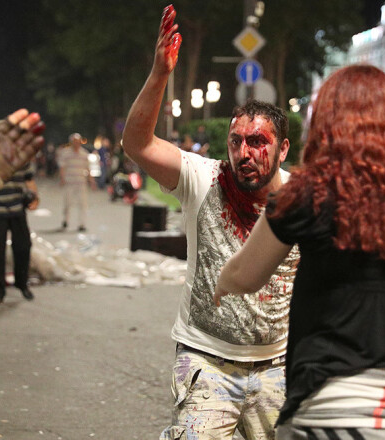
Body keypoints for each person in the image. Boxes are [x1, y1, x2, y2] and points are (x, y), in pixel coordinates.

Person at [214, 65, 385, 440]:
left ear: (325, 125)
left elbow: (245, 275)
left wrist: (221, 284)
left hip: (334, 411)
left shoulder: (306, 196)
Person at [121, 6, 298, 439]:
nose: (245, 152)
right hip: (206, 359)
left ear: (283, 149)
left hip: (279, 365)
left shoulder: (302, 198)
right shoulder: (203, 178)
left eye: (258, 142)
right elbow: (137, 143)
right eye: (237, 141)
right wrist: (161, 73)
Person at [0, 164, 39, 305]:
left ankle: (21, 283)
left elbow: (28, 179)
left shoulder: (21, 152)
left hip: (17, 208)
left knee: (23, 247)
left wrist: (35, 197)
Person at [58, 133, 95, 231]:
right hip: (69, 181)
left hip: (81, 182)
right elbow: (62, 167)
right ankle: (65, 221)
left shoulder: (84, 154)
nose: (76, 144)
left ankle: (82, 224)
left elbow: (88, 168)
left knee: (83, 204)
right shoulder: (66, 153)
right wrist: (62, 178)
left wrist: (91, 181)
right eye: (74, 142)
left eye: (78, 142)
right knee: (67, 203)